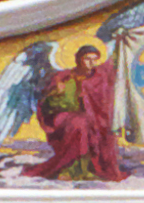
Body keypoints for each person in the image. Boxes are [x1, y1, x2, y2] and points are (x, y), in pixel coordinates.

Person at [29, 41, 121, 181]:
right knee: (79, 123)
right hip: (62, 116)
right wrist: (56, 91)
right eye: (87, 59)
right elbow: (46, 102)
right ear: (78, 59)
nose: (90, 63)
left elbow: (114, 67)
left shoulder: (99, 77)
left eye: (94, 59)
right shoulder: (63, 76)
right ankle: (71, 168)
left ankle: (87, 168)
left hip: (92, 117)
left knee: (92, 124)